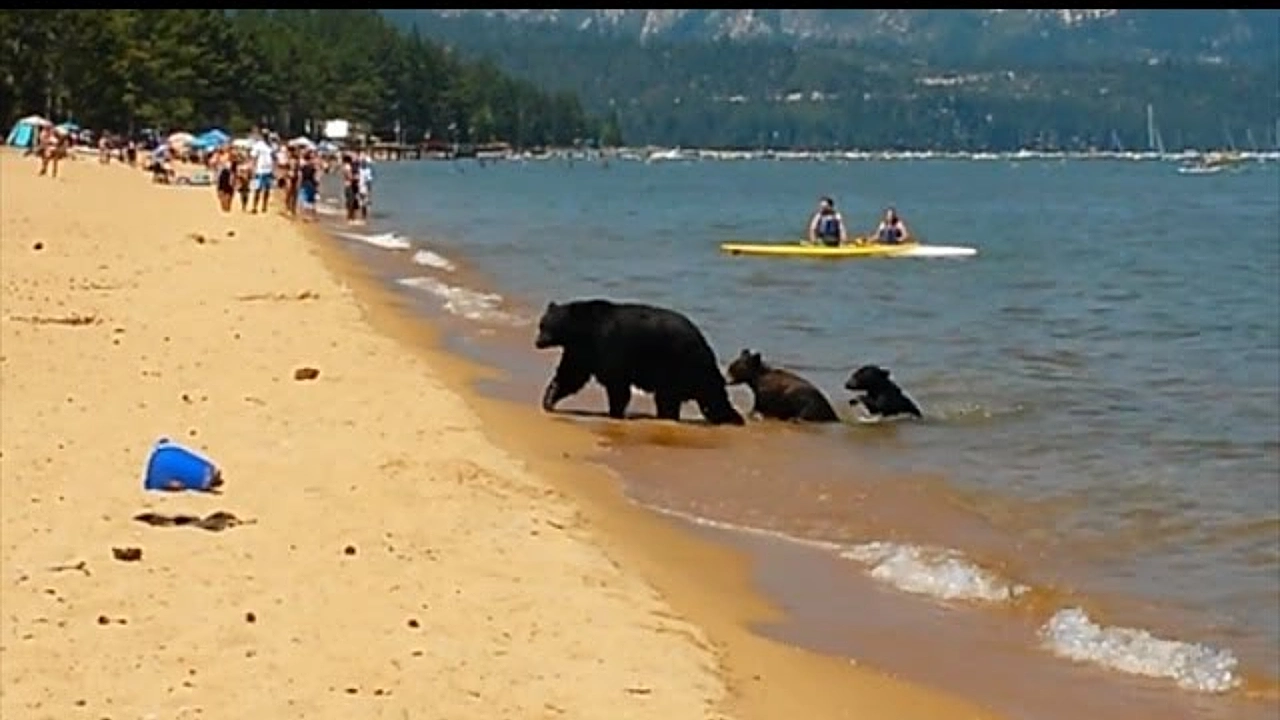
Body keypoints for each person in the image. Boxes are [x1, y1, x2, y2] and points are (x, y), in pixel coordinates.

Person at [249, 130, 275, 214]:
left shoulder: (271, 146)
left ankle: (264, 206)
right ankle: (254, 206)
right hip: (259, 170)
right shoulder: (258, 145)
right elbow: (253, 157)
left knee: (267, 190)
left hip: (269, 170)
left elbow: (273, 158)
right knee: (258, 189)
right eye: (265, 135)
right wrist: (253, 168)